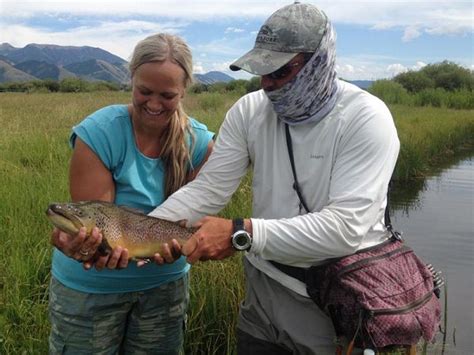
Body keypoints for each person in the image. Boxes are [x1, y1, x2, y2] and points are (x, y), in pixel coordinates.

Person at [81, 2, 400, 353]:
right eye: (262, 72)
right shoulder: (250, 111)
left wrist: (240, 233)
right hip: (264, 293)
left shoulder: (366, 119)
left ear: (319, 62)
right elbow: (208, 189)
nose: (267, 85)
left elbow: (346, 229)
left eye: (280, 72)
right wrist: (131, 239)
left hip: (338, 298)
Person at [49, 33, 214, 354]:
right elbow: (96, 220)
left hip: (165, 288)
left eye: (167, 95)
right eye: (144, 91)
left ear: (184, 91)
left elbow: (195, 222)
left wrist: (186, 245)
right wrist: (86, 247)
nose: (153, 104)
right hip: (89, 293)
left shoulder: (200, 144)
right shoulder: (99, 132)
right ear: (131, 81)